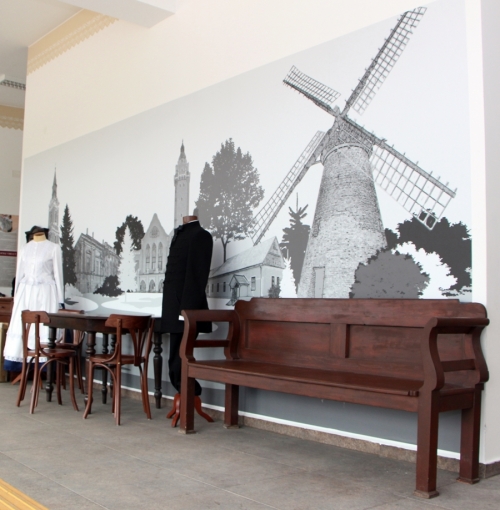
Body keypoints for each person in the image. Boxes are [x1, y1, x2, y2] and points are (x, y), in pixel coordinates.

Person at [160, 214, 213, 397]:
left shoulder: (201, 236)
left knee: (178, 361)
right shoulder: (180, 234)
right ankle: (189, 395)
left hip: (185, 310)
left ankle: (192, 395)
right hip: (173, 309)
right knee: (174, 360)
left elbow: (196, 277)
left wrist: (186, 311)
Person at [3, 226, 64, 372]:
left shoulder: (54, 248)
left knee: (43, 325)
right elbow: (19, 273)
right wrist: (16, 295)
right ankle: (21, 361)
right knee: (23, 324)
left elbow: (58, 274)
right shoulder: (25, 249)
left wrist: (60, 299)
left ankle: (44, 363)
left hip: (46, 292)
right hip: (26, 292)